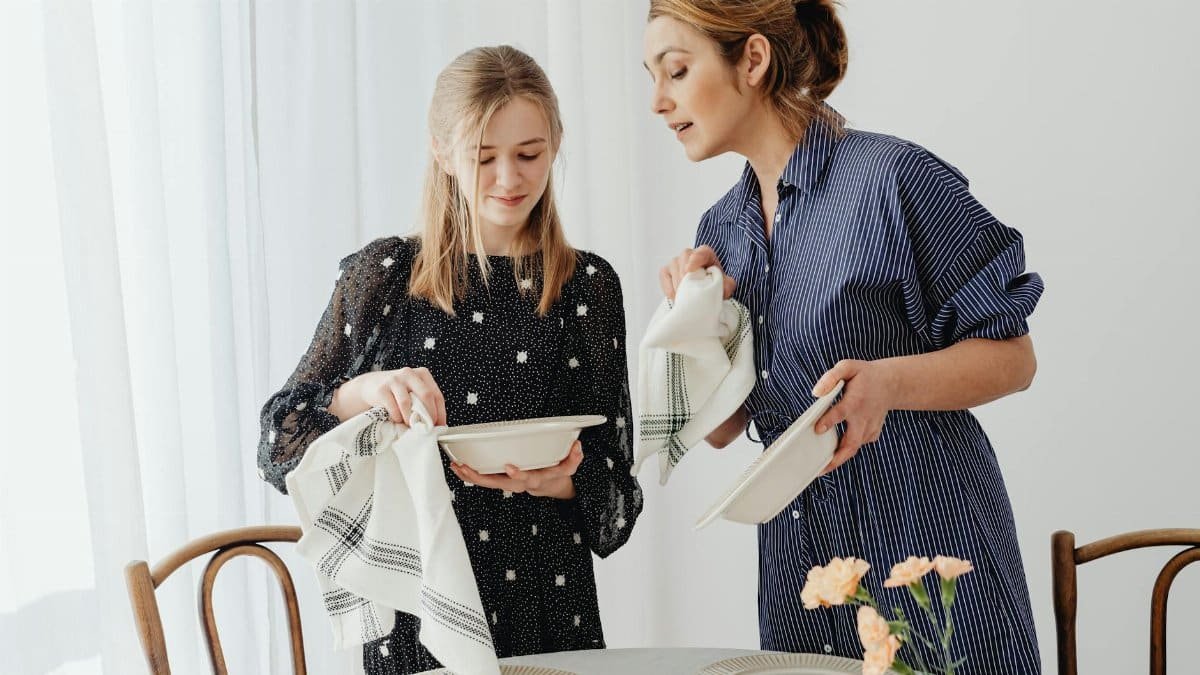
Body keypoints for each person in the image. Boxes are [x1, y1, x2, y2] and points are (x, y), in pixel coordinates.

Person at [644, 1, 1042, 671]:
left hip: (926, 548)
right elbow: (722, 427)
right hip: (801, 574)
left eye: (676, 71)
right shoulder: (723, 229)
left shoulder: (892, 179)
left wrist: (887, 383)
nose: (659, 101)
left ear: (753, 59)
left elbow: (1015, 357)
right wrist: (696, 322)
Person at [257, 45, 643, 675]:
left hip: (552, 612)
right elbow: (279, 443)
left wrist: (561, 479)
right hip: (419, 623)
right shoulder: (382, 279)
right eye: (482, 157)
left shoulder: (589, 287)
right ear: (440, 151)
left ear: (557, 142)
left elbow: (616, 506)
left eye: (529, 154)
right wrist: (366, 390)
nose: (509, 179)